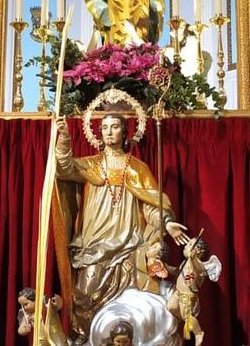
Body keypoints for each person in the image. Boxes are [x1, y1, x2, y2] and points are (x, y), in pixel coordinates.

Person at [54, 113, 190, 342]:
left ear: (124, 132)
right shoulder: (92, 164)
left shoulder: (137, 168)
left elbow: (152, 206)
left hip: (130, 247)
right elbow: (63, 167)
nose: (108, 131)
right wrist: (64, 138)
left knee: (131, 304)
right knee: (84, 297)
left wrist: (167, 223)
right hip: (94, 246)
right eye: (104, 127)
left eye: (114, 126)